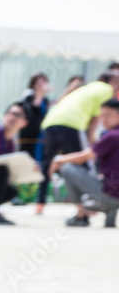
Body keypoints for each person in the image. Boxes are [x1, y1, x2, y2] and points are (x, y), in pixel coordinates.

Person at [36, 71, 119, 214]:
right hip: (72, 123)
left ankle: (40, 203)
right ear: (110, 81)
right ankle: (85, 209)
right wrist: (91, 140)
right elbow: (95, 118)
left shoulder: (88, 88)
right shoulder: (107, 90)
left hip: (50, 121)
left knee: (47, 164)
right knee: (79, 165)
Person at [49, 98, 119, 228]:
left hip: (109, 193)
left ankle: (81, 214)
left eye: (108, 115)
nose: (104, 119)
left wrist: (59, 159)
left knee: (68, 168)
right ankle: (109, 214)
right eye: (102, 116)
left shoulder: (113, 136)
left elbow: (84, 157)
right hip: (114, 190)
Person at [19, 72, 50, 162]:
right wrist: (41, 92)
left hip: (40, 136)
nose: (41, 85)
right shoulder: (28, 96)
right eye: (38, 83)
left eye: (43, 82)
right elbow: (34, 107)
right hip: (29, 136)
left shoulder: (45, 99)